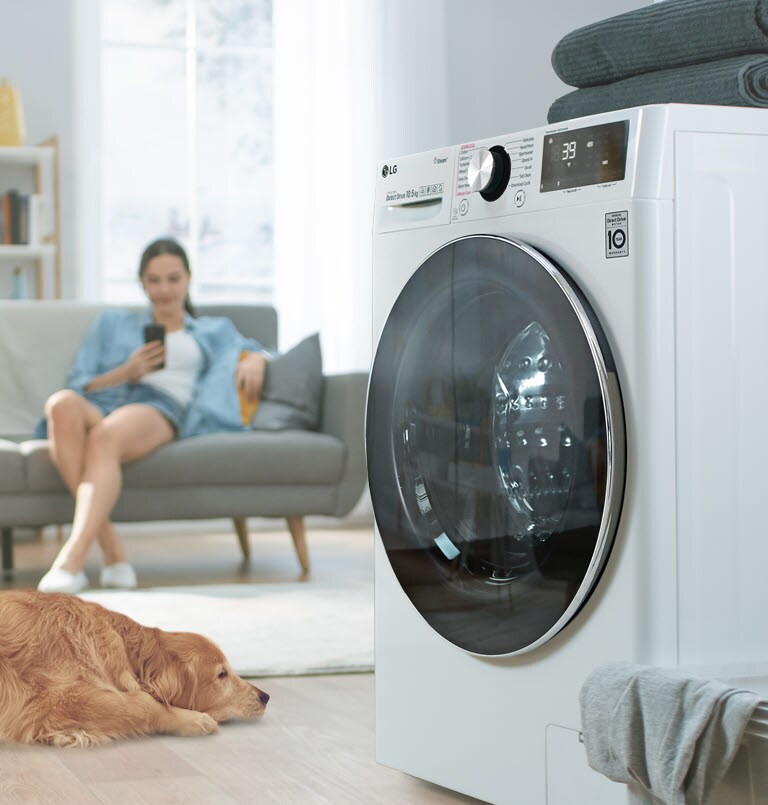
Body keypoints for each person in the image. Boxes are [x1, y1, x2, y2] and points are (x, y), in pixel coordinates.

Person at [36, 238, 270, 594]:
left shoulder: (213, 330)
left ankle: (73, 559)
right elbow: (80, 384)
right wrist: (126, 371)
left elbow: (260, 349)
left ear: (188, 279)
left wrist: (256, 358)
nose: (164, 289)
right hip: (109, 400)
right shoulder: (111, 324)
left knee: (104, 437)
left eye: (173, 278)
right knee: (60, 405)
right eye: (154, 280)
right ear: (142, 283)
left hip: (160, 407)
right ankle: (113, 550)